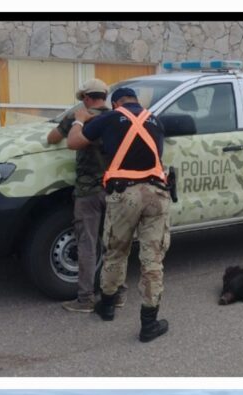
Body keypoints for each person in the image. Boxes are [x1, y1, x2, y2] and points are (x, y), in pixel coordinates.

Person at [67, 86, 172, 342]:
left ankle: (108, 306)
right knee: (152, 260)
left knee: (116, 252)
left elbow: (74, 142)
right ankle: (149, 324)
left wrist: (80, 120)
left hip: (124, 195)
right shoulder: (155, 119)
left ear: (116, 104)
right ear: (136, 101)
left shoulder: (110, 118)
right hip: (157, 194)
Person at [47, 78, 127, 313]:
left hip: (87, 192)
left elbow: (52, 138)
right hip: (114, 188)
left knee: (87, 244)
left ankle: (85, 299)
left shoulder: (77, 117)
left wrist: (75, 121)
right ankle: (118, 293)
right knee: (115, 244)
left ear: (86, 98)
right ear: (105, 96)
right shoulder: (117, 118)